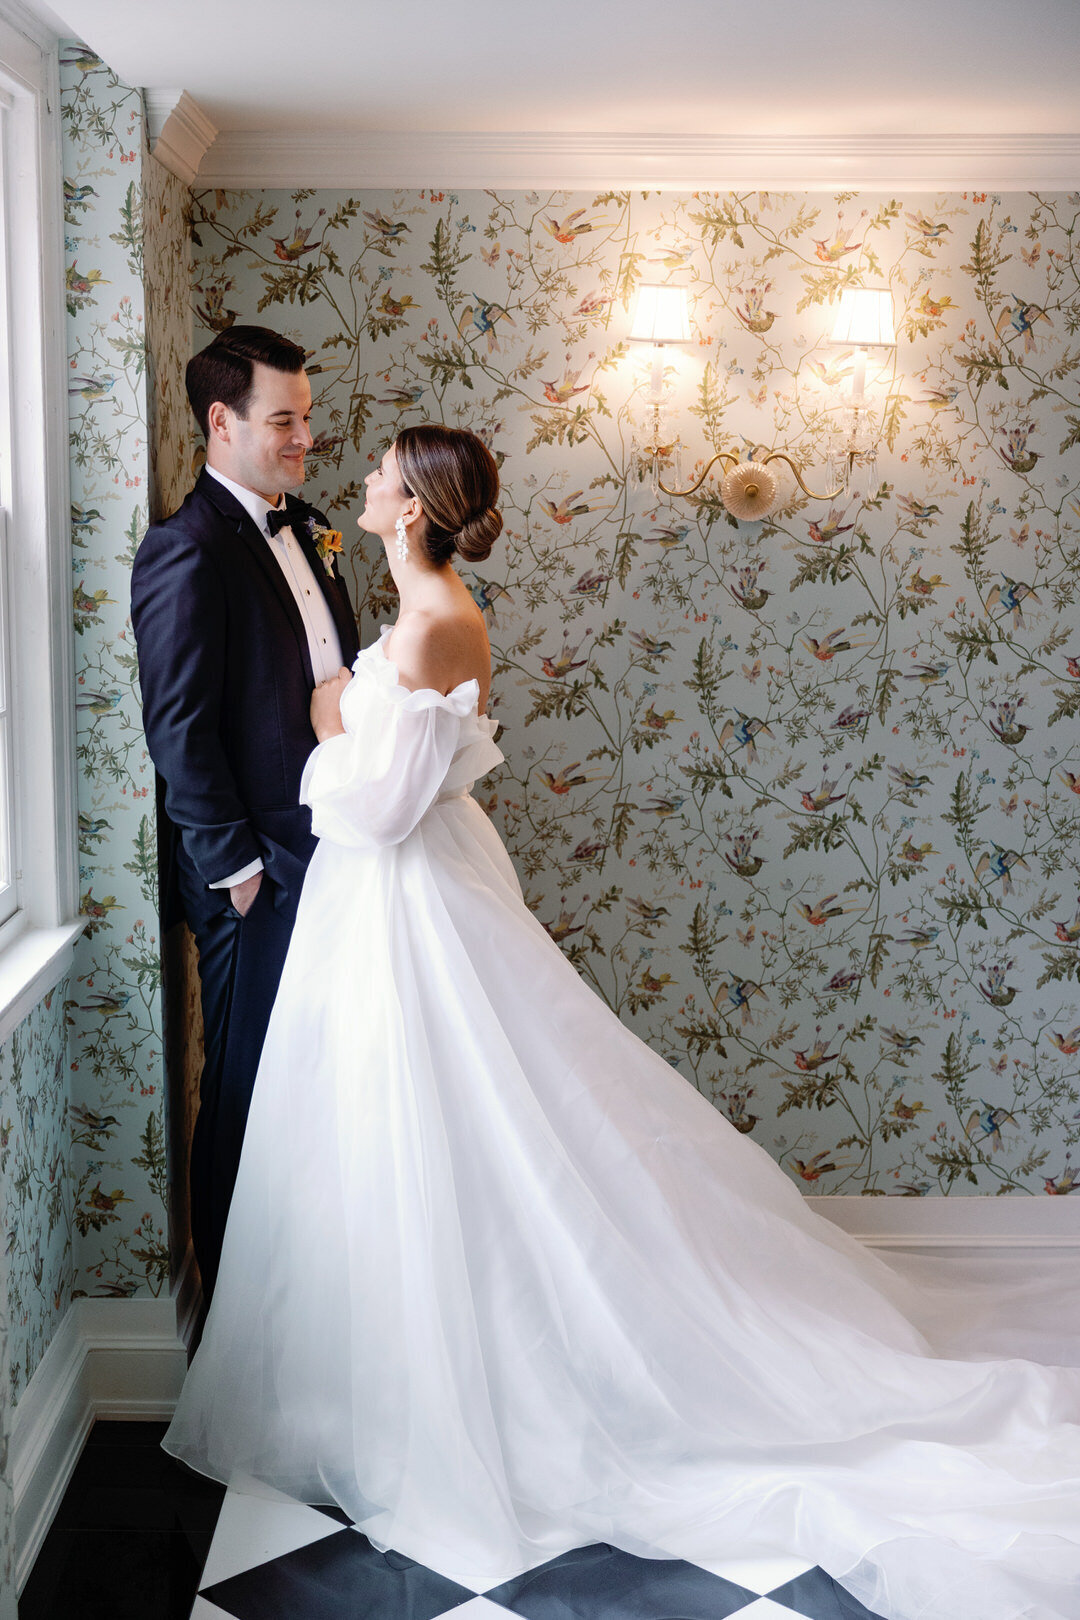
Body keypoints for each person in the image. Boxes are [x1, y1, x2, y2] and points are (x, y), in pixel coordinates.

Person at [163, 423, 1080, 1620]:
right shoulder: (416, 599)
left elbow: (378, 803)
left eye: (387, 468)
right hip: (384, 903)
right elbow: (378, 736)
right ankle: (373, 1378)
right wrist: (345, 711)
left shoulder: (439, 613)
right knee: (379, 1125)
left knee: (457, 1118)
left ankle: (475, 1383)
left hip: (405, 895)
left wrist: (328, 734)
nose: (367, 473)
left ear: (412, 506)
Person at [131, 326, 359, 1305]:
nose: (304, 438)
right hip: (256, 872)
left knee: (315, 1087)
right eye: (284, 421)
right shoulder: (186, 552)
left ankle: (299, 1309)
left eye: (306, 419)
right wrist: (238, 870)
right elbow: (178, 729)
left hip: (333, 849)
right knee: (244, 1094)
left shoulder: (301, 525)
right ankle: (231, 1323)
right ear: (221, 423)